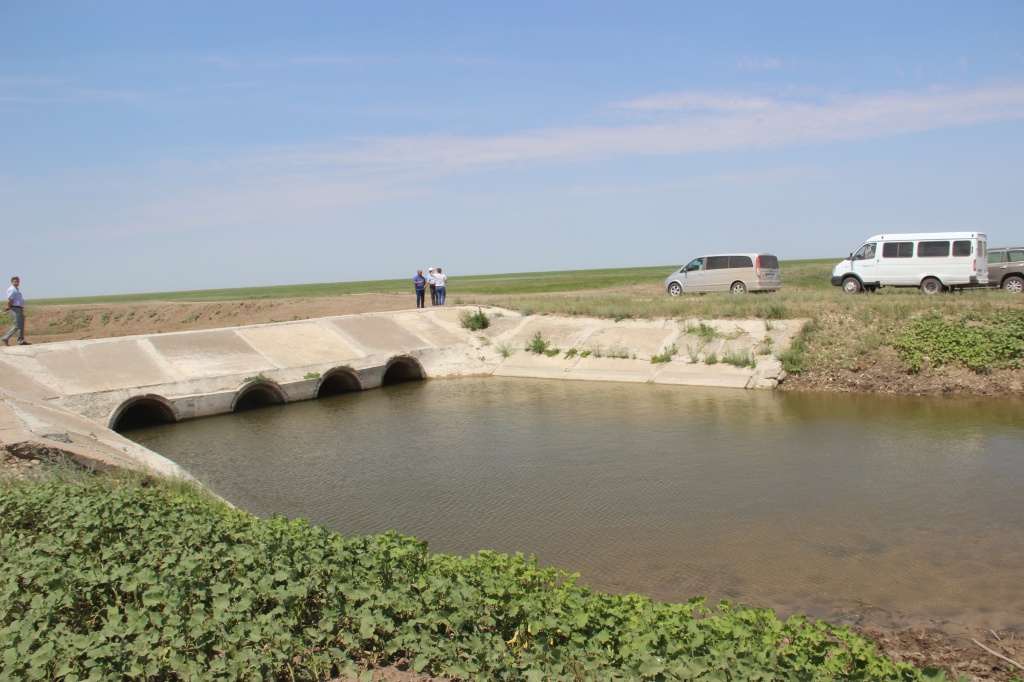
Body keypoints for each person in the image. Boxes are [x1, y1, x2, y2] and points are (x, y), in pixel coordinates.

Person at [3, 276, 29, 346]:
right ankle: (6, 337)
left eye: (18, 281)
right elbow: (9, 300)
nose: (17, 283)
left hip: (19, 308)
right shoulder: (12, 290)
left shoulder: (16, 289)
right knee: (17, 324)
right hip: (15, 308)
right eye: (15, 281)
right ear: (12, 282)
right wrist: (9, 306)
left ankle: (21, 340)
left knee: (21, 325)